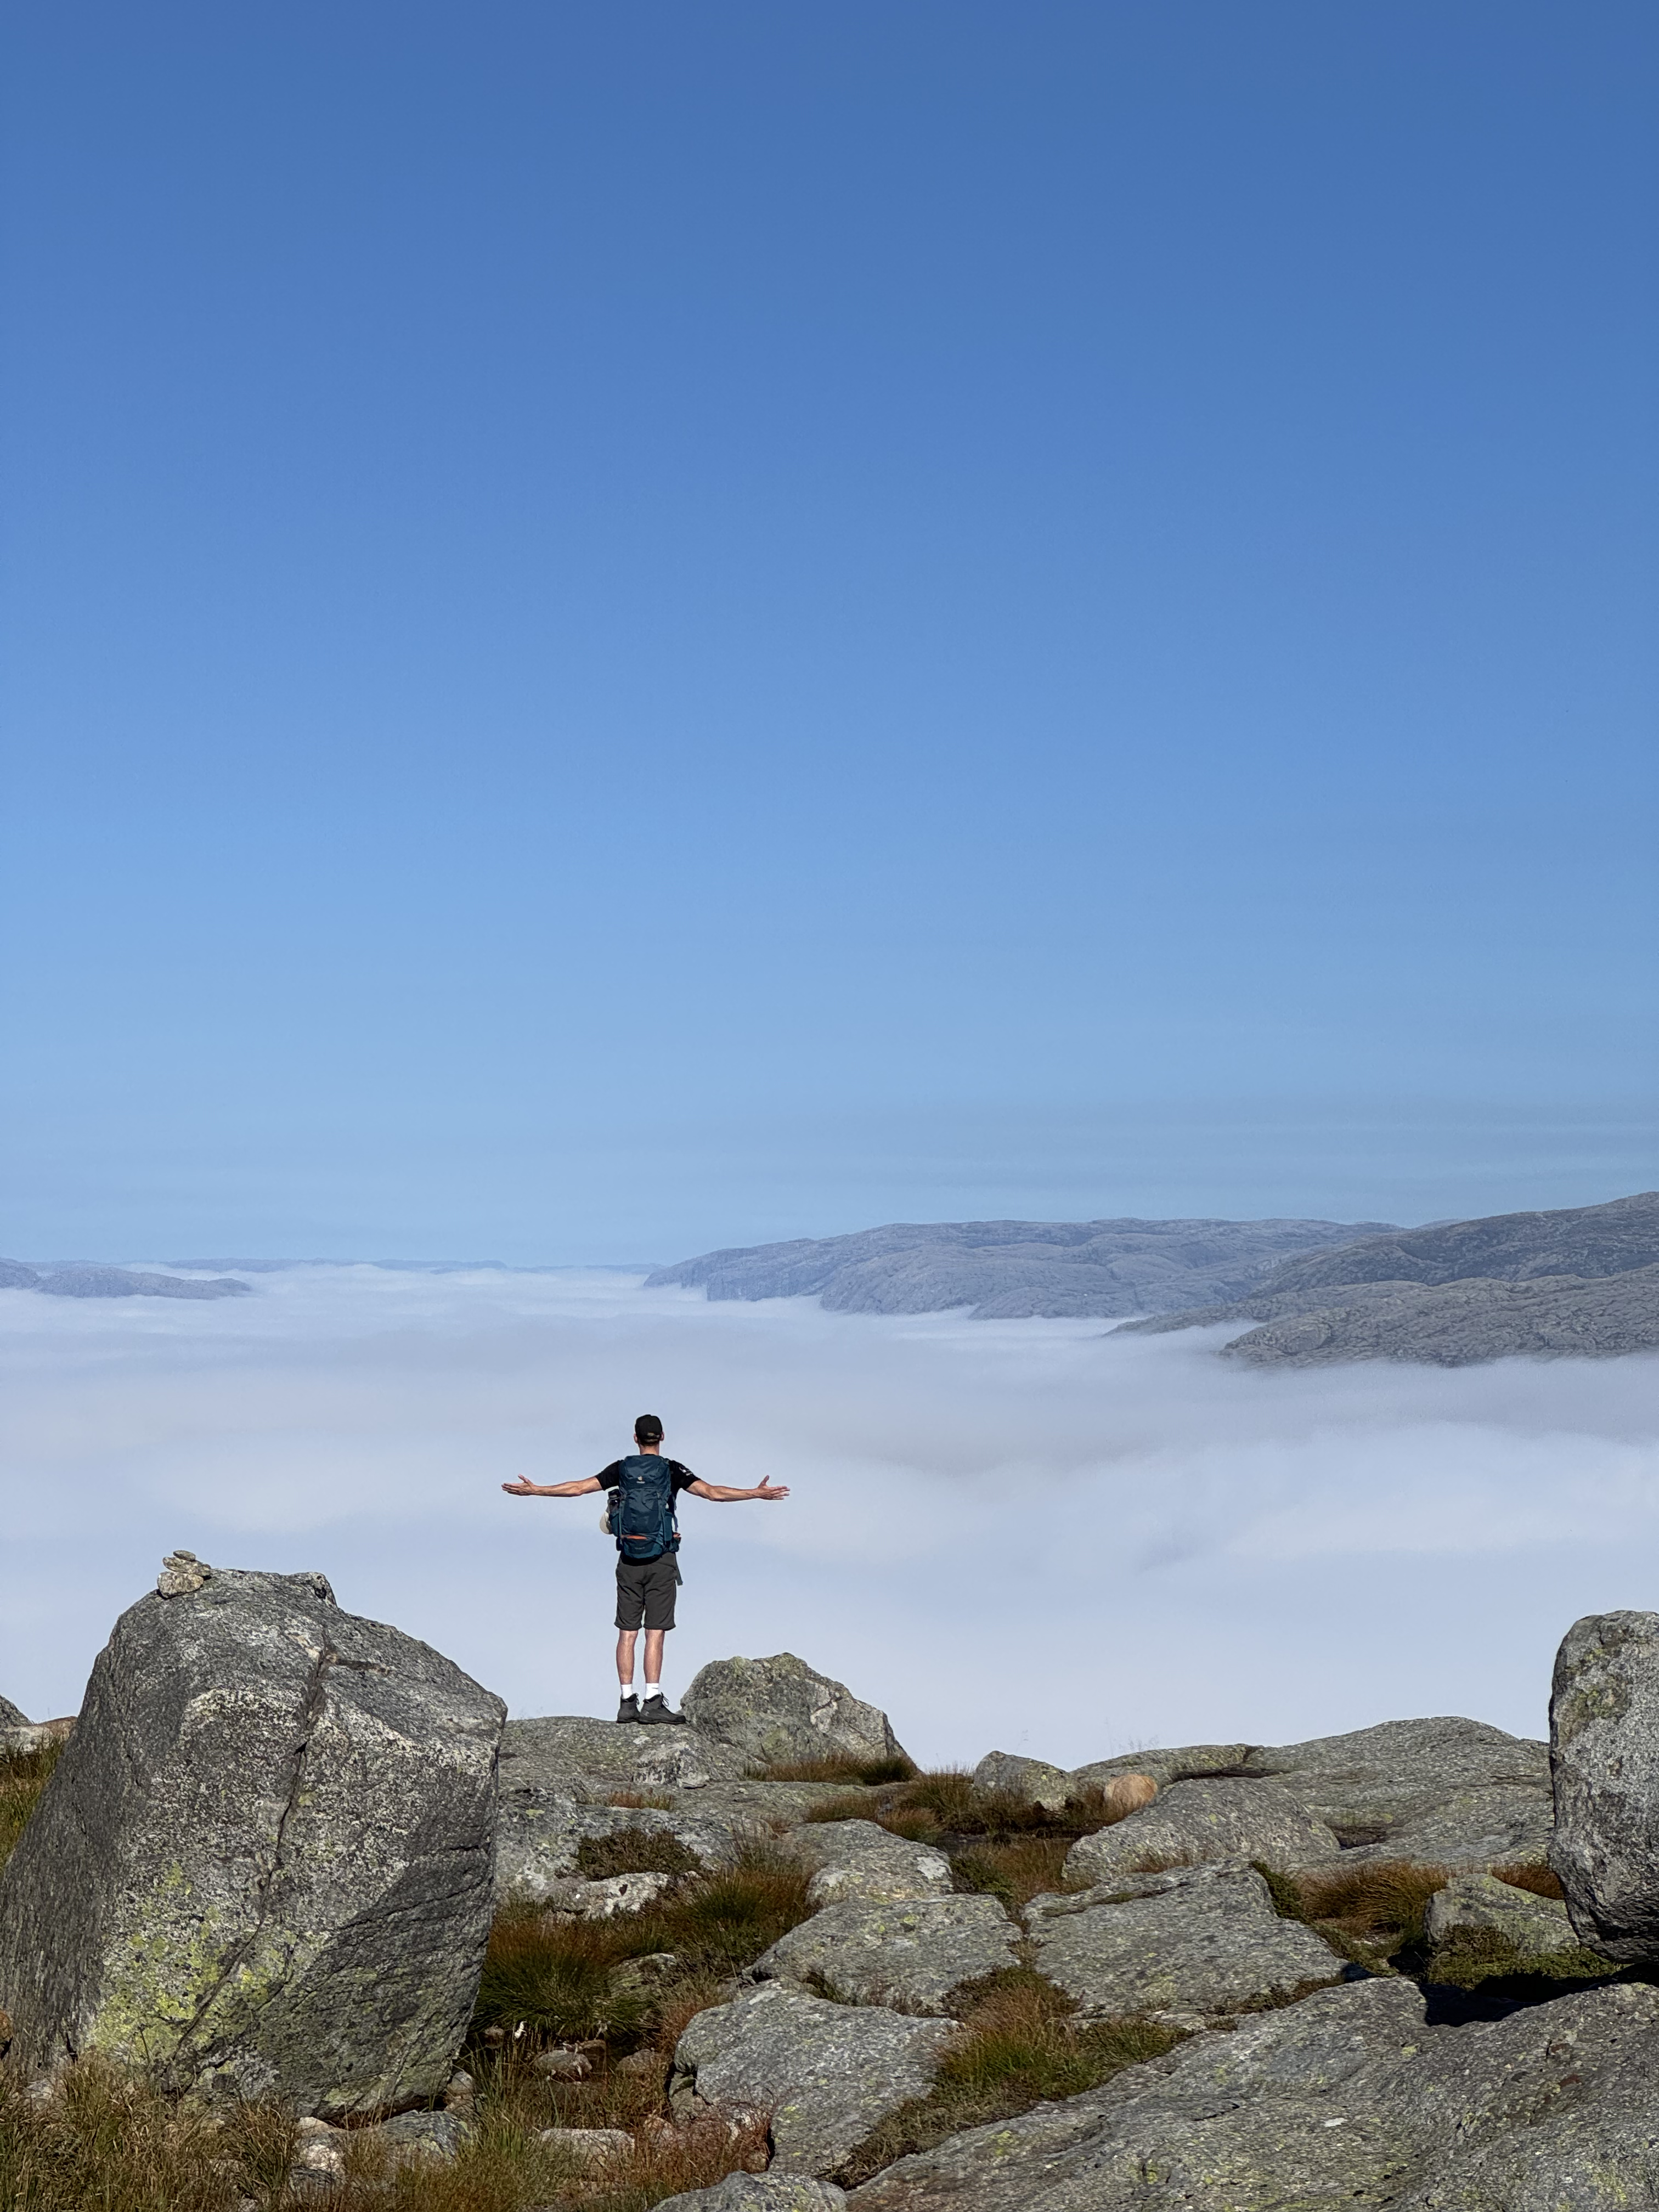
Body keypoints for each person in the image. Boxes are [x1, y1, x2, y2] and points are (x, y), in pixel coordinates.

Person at [501, 1414, 789, 1724]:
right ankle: (653, 1700)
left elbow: (578, 1489)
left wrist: (536, 1490)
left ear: (636, 1439)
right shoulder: (671, 1469)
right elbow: (712, 1493)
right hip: (661, 1559)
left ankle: (627, 1702)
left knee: (627, 1633)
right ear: (662, 1437)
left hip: (628, 1560)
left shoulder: (622, 1469)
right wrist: (756, 1493)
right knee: (655, 1633)